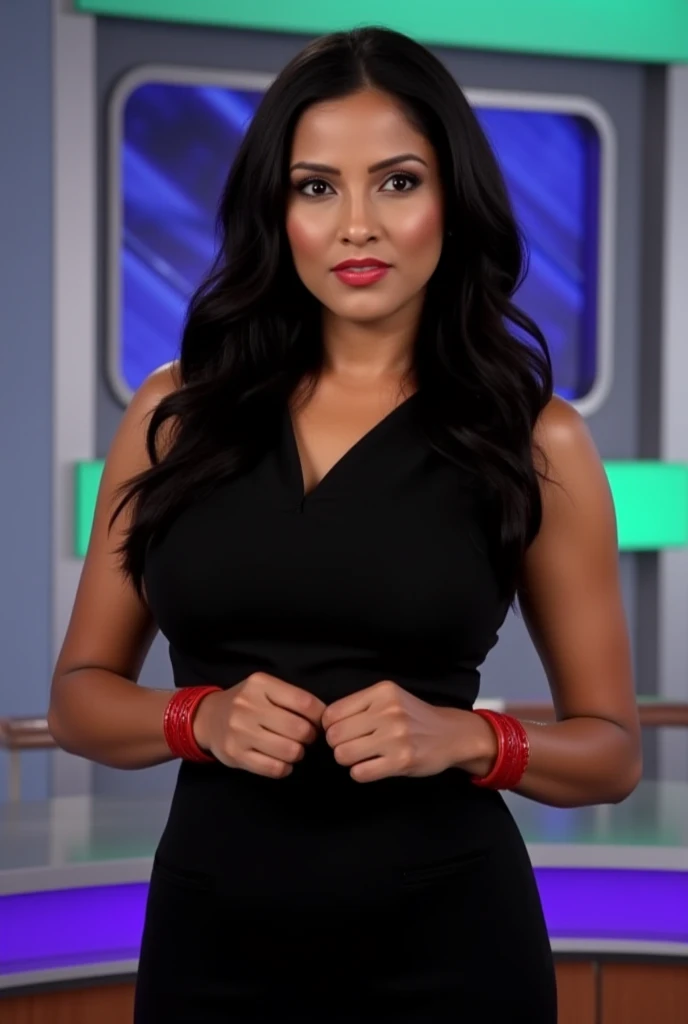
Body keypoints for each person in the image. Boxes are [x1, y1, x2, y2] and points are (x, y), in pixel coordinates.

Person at [48, 26, 642, 1024]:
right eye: (317, 186)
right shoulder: (172, 414)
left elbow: (611, 749)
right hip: (211, 937)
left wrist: (467, 735)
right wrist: (197, 717)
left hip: (452, 944)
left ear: (451, 199)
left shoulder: (540, 439)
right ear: (276, 211)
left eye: (397, 182)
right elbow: (77, 698)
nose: (356, 224)